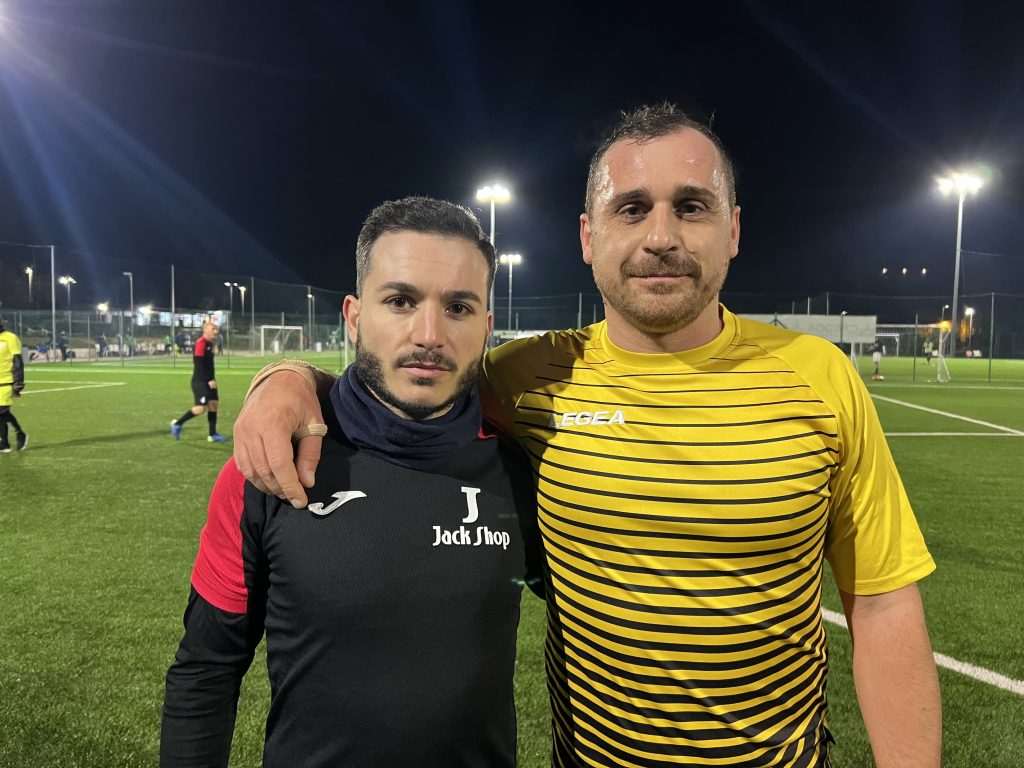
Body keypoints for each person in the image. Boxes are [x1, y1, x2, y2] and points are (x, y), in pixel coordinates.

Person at [232, 104, 941, 767]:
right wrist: (289, 380)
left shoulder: (820, 376)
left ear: (732, 229)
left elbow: (882, 603)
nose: (660, 237)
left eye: (691, 206)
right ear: (588, 236)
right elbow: (395, 380)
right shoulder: (525, 377)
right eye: (631, 209)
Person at [161, 196, 541, 767]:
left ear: (486, 327)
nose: (429, 333)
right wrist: (284, 379)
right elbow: (206, 669)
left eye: (458, 307)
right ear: (355, 316)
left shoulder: (519, 466)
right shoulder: (269, 461)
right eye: (400, 300)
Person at [170, 321, 227, 442]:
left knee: (213, 405)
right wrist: (208, 379)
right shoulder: (201, 343)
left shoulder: (210, 343)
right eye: (213, 329)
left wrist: (212, 379)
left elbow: (209, 365)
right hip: (201, 381)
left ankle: (213, 435)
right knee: (201, 408)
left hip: (210, 380)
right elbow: (199, 364)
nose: (216, 331)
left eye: (216, 329)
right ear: (206, 330)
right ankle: (177, 424)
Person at [0, 316, 28, 452]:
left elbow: (17, 361)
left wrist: (18, 381)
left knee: (1, 411)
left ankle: (20, 433)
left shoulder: (10, 338)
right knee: (1, 414)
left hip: (7, 381)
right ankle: (4, 444)